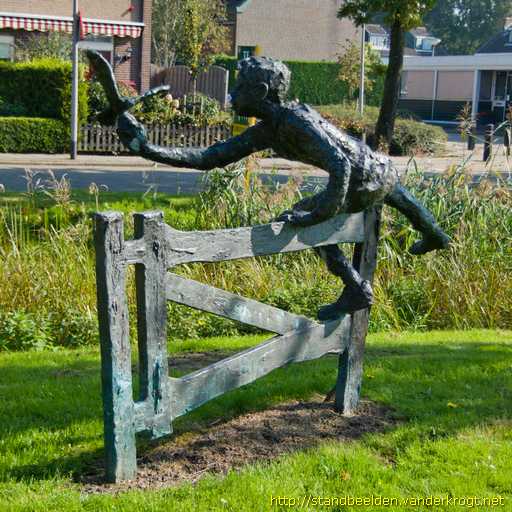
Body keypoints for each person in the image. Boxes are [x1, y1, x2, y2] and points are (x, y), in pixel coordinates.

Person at [87, 51, 450, 320]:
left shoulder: (294, 121)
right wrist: (147, 148)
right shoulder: (269, 129)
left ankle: (355, 287)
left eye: (239, 87)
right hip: (381, 169)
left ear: (260, 91)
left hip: (363, 179)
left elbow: (339, 165)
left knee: (301, 219)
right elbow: (210, 157)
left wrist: (318, 215)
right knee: (398, 197)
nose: (232, 94)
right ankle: (434, 233)